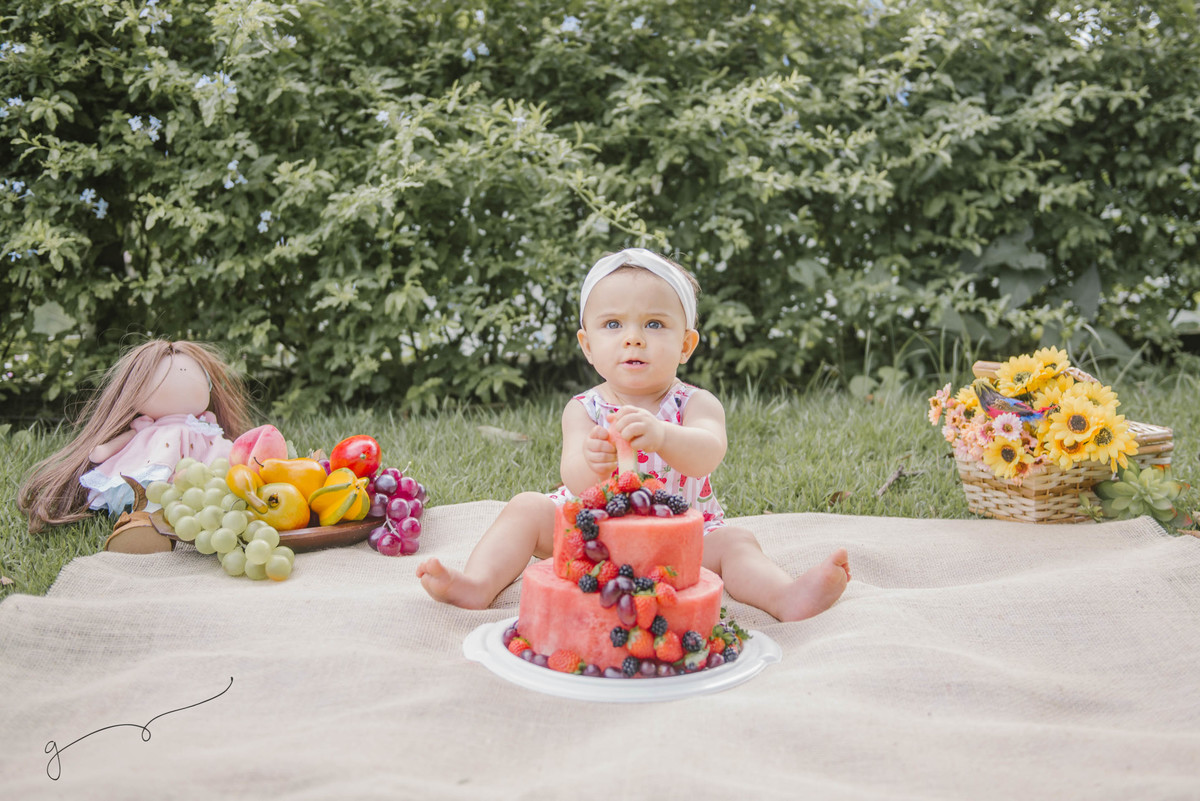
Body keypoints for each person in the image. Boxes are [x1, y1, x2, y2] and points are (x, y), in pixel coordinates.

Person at [417, 248, 850, 621]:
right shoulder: (584, 409)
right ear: (587, 346)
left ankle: (785, 597)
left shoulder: (695, 404)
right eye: (613, 325)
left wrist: (663, 436)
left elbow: (707, 455)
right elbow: (574, 478)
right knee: (526, 508)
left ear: (686, 345)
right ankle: (476, 584)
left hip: (681, 536)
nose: (633, 340)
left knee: (737, 542)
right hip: (595, 533)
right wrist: (593, 462)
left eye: (655, 325)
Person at [18, 339, 252, 532]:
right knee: (154, 495)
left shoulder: (205, 425)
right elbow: (125, 440)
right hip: (157, 468)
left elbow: (227, 447)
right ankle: (148, 522)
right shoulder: (146, 427)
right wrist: (104, 450)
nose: (179, 375)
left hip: (203, 481)